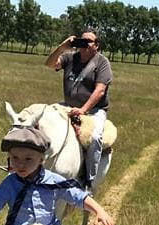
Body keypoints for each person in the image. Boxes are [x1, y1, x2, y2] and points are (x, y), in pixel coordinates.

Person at [45, 30, 113, 192]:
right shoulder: (70, 57)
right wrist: (62, 47)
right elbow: (49, 64)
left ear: (96, 46)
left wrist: (83, 110)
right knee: (43, 119)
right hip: (68, 105)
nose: (84, 44)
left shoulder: (102, 63)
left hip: (94, 110)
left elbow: (100, 91)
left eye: (88, 41)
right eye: (81, 40)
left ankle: (88, 182)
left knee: (95, 137)